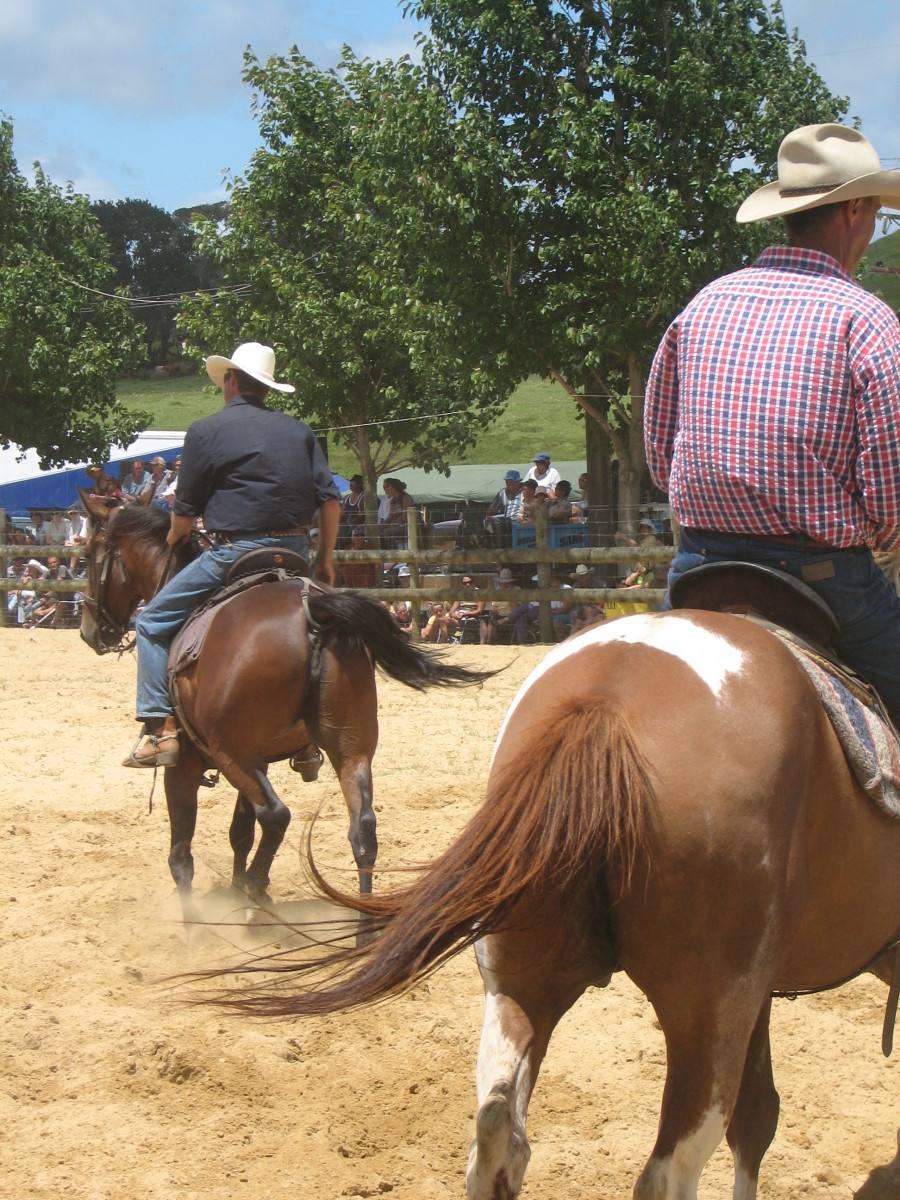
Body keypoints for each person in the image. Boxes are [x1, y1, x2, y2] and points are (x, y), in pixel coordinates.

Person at [644, 123, 900, 724]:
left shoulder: (703, 304)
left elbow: (661, 461)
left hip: (700, 568)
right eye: (877, 216)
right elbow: (890, 500)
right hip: (827, 579)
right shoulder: (866, 322)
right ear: (856, 210)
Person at [125, 341, 341, 768]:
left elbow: (183, 518)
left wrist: (172, 538)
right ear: (267, 388)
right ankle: (307, 740)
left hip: (236, 552)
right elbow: (330, 500)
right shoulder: (299, 431)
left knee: (150, 622)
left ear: (230, 380)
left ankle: (161, 730)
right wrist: (325, 560)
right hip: (296, 550)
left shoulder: (206, 431)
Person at [484, 470, 524, 545]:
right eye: (507, 481)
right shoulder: (503, 492)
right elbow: (492, 509)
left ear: (517, 482)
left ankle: (503, 545)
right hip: (507, 519)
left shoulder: (524, 491)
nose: (508, 484)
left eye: (510, 482)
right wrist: (489, 513)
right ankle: (497, 545)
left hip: (521, 519)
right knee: (492, 521)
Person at [339, 475, 365, 546]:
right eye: (351, 482)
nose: (351, 484)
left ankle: (351, 545)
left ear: (360, 485)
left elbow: (361, 516)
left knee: (351, 528)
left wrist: (349, 522)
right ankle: (346, 546)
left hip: (358, 524)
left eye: (354, 482)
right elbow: (342, 513)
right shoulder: (347, 497)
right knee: (339, 528)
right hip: (347, 523)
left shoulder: (363, 498)